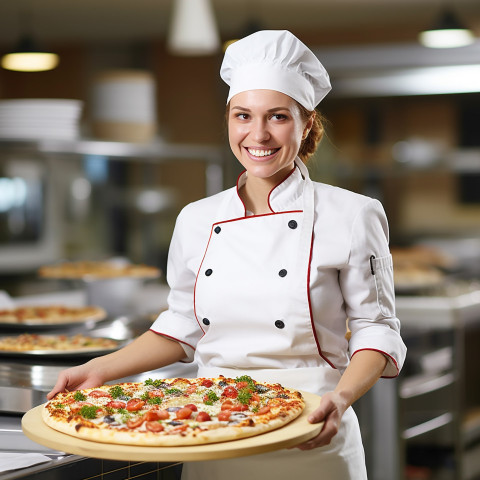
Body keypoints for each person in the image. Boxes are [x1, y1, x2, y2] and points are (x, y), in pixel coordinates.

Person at [48, 30, 407, 479]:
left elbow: (376, 331)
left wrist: (341, 398)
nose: (258, 134)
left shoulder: (352, 214)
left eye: (278, 116)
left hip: (312, 429)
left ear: (306, 124)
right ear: (230, 121)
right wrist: (99, 369)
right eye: (243, 116)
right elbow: (183, 326)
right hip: (212, 426)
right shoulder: (196, 218)